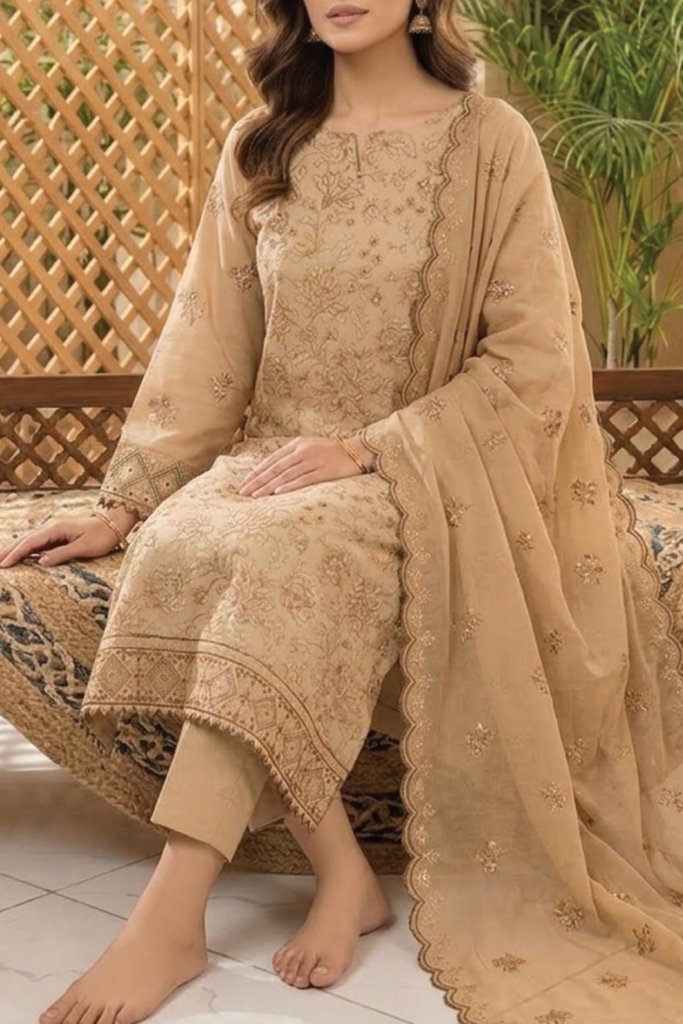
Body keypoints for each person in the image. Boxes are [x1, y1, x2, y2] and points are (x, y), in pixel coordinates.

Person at [2, 0, 683, 1022]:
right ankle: (343, 873)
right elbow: (210, 346)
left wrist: (368, 448)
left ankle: (170, 913)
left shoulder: (489, 141)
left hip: (421, 472)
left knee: (281, 559)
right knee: (188, 540)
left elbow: (533, 358)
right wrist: (126, 504)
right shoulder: (262, 142)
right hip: (274, 461)